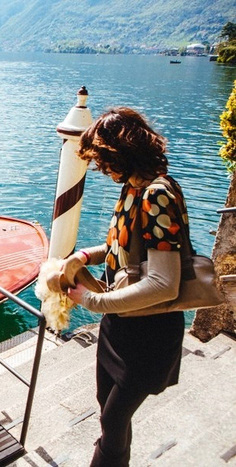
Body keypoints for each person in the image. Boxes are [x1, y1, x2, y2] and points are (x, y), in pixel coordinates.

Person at [58, 107, 188, 466]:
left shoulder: (156, 194)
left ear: (123, 152)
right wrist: (85, 255)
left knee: (114, 419)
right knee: (108, 413)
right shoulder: (133, 187)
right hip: (119, 324)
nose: (102, 169)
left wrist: (92, 300)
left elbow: (164, 282)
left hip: (149, 330)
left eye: (104, 160)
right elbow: (124, 246)